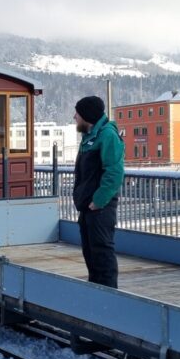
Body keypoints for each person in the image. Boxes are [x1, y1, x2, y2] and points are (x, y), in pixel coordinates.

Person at [72, 96, 124, 288]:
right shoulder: (90, 137)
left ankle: (109, 295)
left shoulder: (107, 135)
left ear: (87, 116)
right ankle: (95, 291)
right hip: (87, 207)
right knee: (90, 251)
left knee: (102, 252)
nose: (74, 117)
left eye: (77, 113)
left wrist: (98, 201)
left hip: (100, 208)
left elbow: (114, 172)